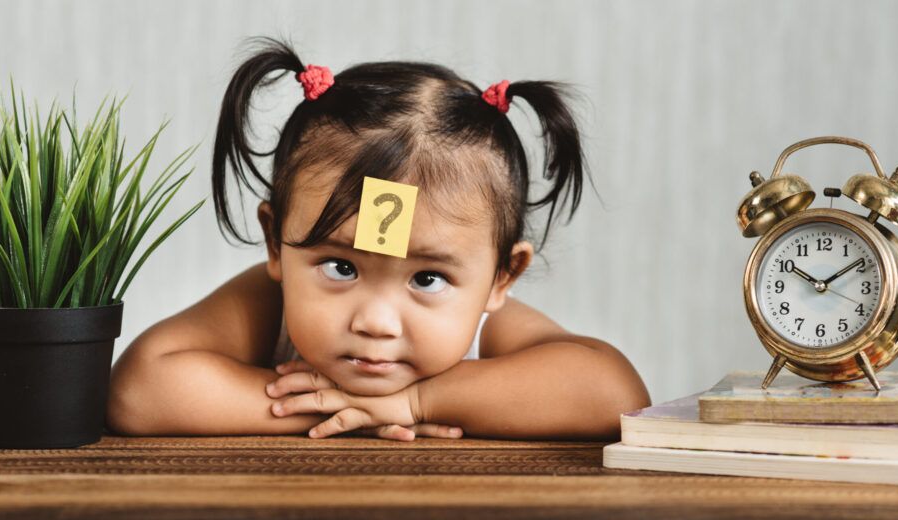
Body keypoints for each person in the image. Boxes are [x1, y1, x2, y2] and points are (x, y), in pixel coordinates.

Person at [106, 38, 650, 441]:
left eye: (428, 278)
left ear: (500, 278)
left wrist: (415, 401)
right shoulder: (268, 304)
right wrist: (335, 408)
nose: (376, 321)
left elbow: (614, 396)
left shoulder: (488, 329)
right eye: (341, 268)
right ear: (277, 244)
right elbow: (139, 392)